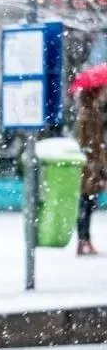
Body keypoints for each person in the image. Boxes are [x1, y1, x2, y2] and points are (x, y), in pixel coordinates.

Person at [74, 86, 107, 255]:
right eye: (101, 91)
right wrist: (94, 160)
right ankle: (83, 240)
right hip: (89, 166)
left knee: (88, 204)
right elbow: (86, 142)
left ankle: (85, 240)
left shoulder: (93, 112)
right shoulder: (88, 114)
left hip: (92, 165)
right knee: (86, 204)